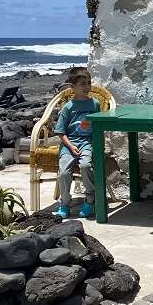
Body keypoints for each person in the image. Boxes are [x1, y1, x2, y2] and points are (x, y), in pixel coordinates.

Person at [54, 67, 99, 218]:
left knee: (86, 166)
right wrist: (71, 147)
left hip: (87, 143)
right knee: (64, 172)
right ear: (73, 87)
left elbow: (99, 126)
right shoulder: (68, 108)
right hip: (69, 144)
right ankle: (65, 203)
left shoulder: (95, 104)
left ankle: (90, 200)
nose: (87, 87)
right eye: (83, 84)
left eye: (89, 83)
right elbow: (61, 132)